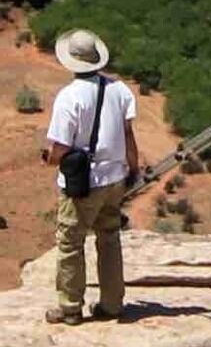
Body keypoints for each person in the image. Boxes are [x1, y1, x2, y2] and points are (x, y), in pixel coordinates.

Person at [41, 28, 141, 323]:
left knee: (71, 242)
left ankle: (70, 306)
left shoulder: (69, 97)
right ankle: (112, 304)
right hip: (114, 178)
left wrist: (50, 160)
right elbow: (128, 134)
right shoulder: (120, 90)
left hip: (83, 184)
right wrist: (133, 169)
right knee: (109, 237)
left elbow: (60, 146)